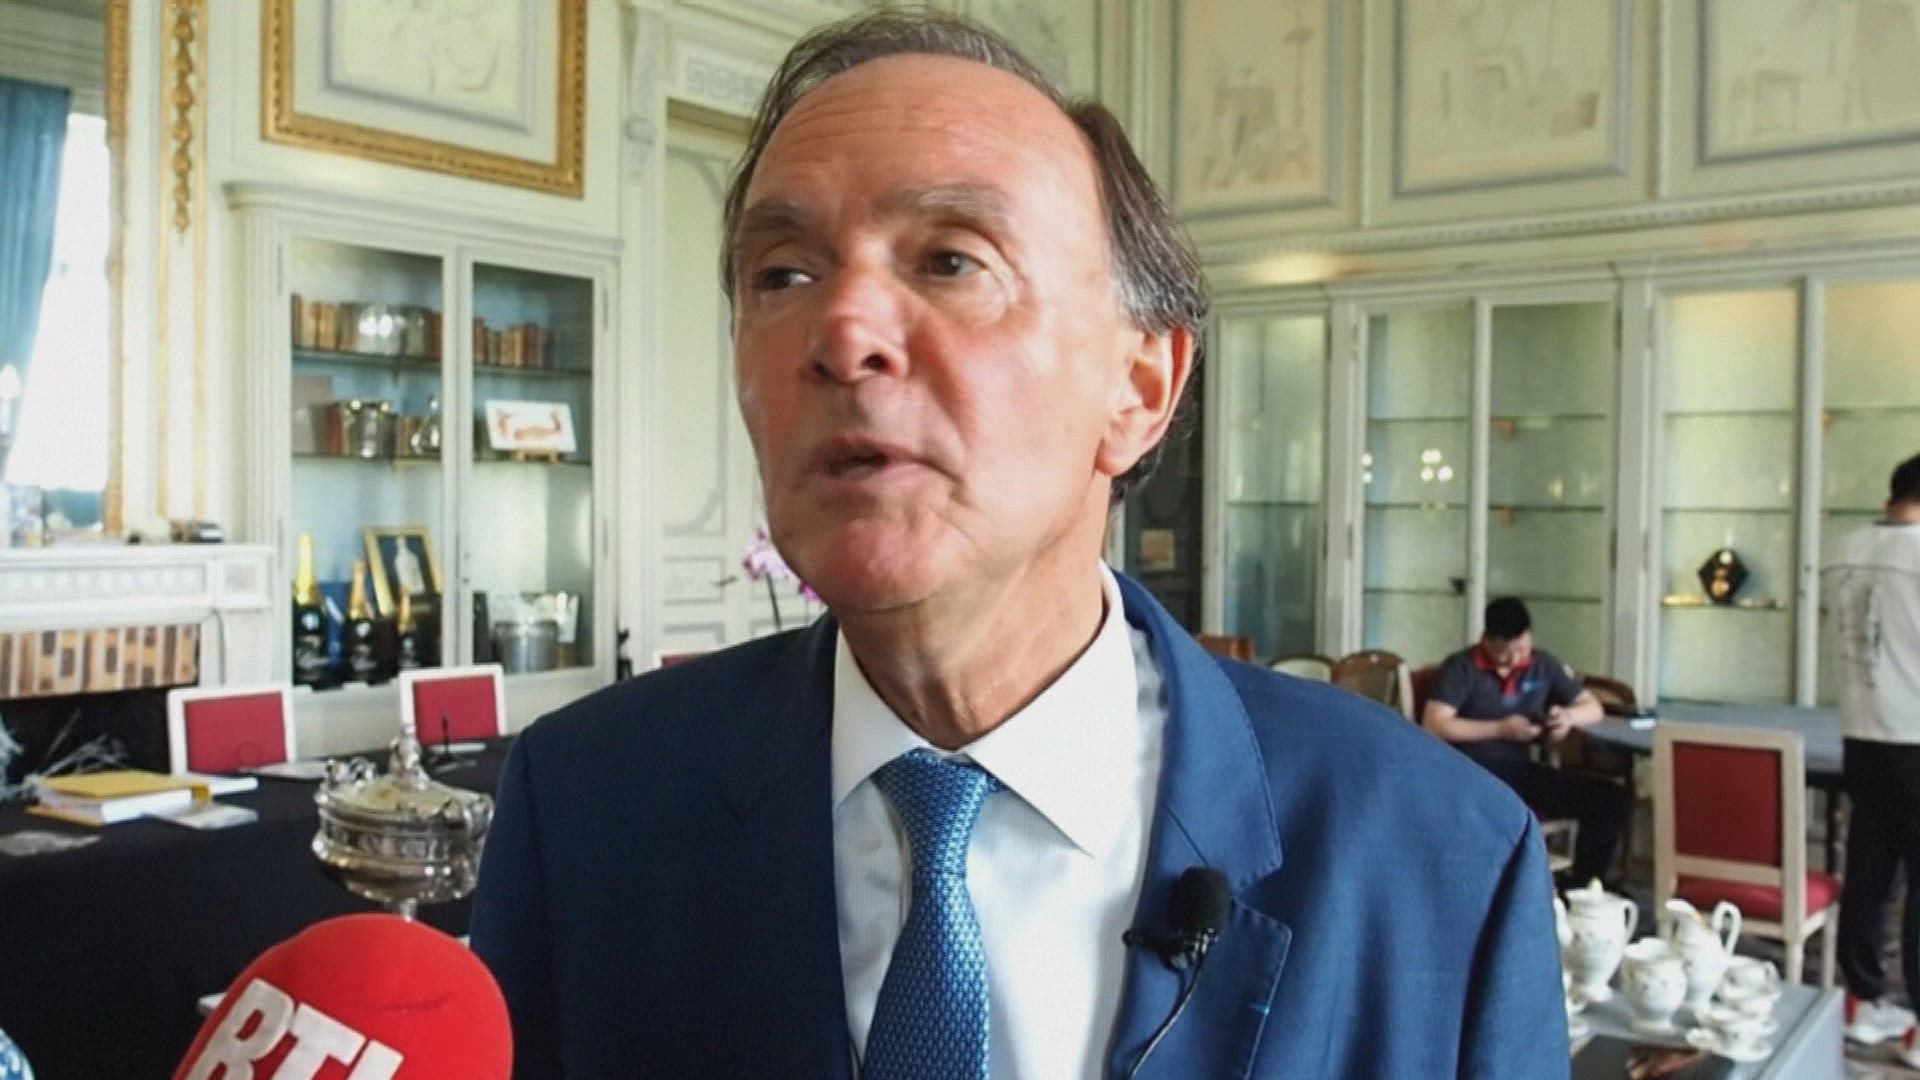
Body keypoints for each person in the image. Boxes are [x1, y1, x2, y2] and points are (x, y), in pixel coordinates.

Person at [470, 12, 1565, 1078]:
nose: (842, 331)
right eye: (784, 275)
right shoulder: (587, 808)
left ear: (1139, 388)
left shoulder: (1440, 857)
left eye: (951, 260)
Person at [1422, 597, 1627, 888]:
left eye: (1520, 650)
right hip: (1472, 773)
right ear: (1486, 639)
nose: (1514, 660)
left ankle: (1585, 887)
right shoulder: (1461, 668)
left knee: (1608, 798)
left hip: (1522, 770)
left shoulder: (1543, 665)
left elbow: (1593, 708)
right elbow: (1435, 724)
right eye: (1504, 653)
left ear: (1529, 636)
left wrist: (1566, 718)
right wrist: (1499, 729)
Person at [1826, 452, 1920, 1063]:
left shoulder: (1844, 550)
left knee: (1869, 872)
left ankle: (1861, 1001)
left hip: (1862, 735)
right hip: (1917, 735)